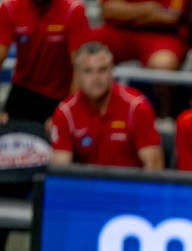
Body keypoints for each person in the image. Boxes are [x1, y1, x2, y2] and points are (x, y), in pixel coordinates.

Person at [50, 41, 164, 169]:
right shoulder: (66, 112)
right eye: (88, 71)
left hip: (130, 186)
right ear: (77, 74)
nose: (96, 77)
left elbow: (154, 167)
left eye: (102, 70)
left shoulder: (137, 107)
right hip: (86, 186)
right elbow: (60, 171)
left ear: (112, 71)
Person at [93, 0, 192, 120]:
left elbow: (172, 17)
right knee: (83, 48)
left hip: (163, 33)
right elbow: (108, 10)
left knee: (163, 64)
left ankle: (163, 117)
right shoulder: (145, 10)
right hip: (120, 30)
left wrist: (128, 14)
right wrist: (147, 10)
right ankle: (84, 112)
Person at [0, 0, 91, 124]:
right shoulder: (9, 8)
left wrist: (68, 113)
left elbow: (81, 67)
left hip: (60, 95)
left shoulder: (73, 10)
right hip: (22, 91)